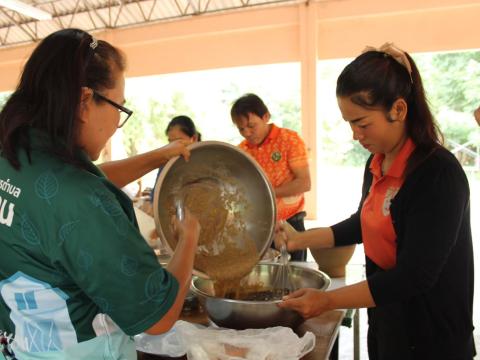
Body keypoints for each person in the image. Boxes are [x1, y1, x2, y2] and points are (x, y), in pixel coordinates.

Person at [0, 28, 200, 359]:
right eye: (118, 107)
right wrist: (189, 237)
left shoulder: (15, 155)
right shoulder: (79, 199)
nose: (115, 122)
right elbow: (160, 317)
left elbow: (74, 188)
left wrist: (156, 156)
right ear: (83, 101)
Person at [275, 43, 474, 359]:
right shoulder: (378, 162)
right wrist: (300, 237)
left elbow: (415, 276)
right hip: (388, 320)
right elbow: (363, 223)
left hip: (432, 336)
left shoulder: (438, 174)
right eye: (349, 123)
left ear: (398, 109)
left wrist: (327, 300)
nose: (356, 135)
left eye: (362, 123)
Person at [230, 93, 311, 261]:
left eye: (252, 126)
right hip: (259, 226)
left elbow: (304, 183)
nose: (247, 133)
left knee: (295, 276)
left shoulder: (289, 140)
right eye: (241, 129)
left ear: (266, 116)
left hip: (290, 223)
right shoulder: (242, 151)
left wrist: (265, 194)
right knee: (264, 278)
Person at [149, 115, 201, 204]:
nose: (172, 147)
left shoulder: (206, 162)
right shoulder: (166, 164)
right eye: (170, 142)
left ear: (194, 138)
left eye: (178, 141)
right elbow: (155, 197)